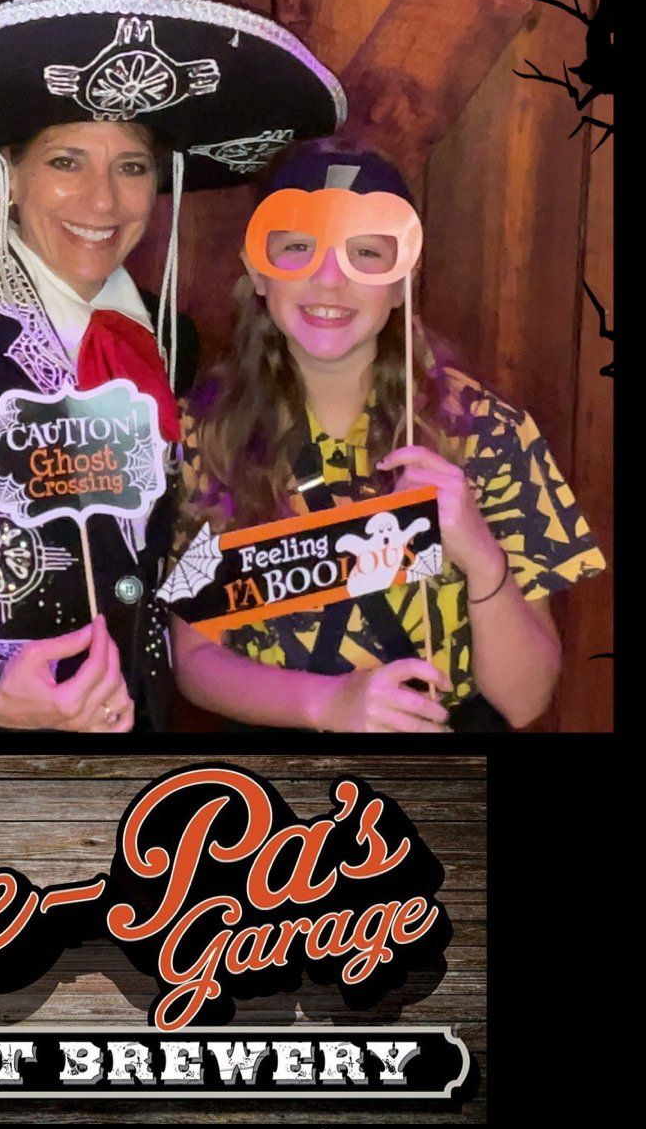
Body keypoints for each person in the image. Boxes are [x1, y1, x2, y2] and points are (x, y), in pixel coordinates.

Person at [0, 0, 345, 733]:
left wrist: (329, 552)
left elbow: (170, 570)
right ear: (11, 175)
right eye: (66, 160)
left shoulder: (171, 342)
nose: (102, 200)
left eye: (132, 167)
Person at [165, 138, 606, 734]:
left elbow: (526, 700)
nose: (329, 280)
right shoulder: (203, 435)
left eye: (365, 253)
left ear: (403, 278)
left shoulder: (487, 435)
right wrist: (331, 704)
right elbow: (193, 659)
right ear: (257, 273)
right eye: (297, 248)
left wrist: (478, 550)